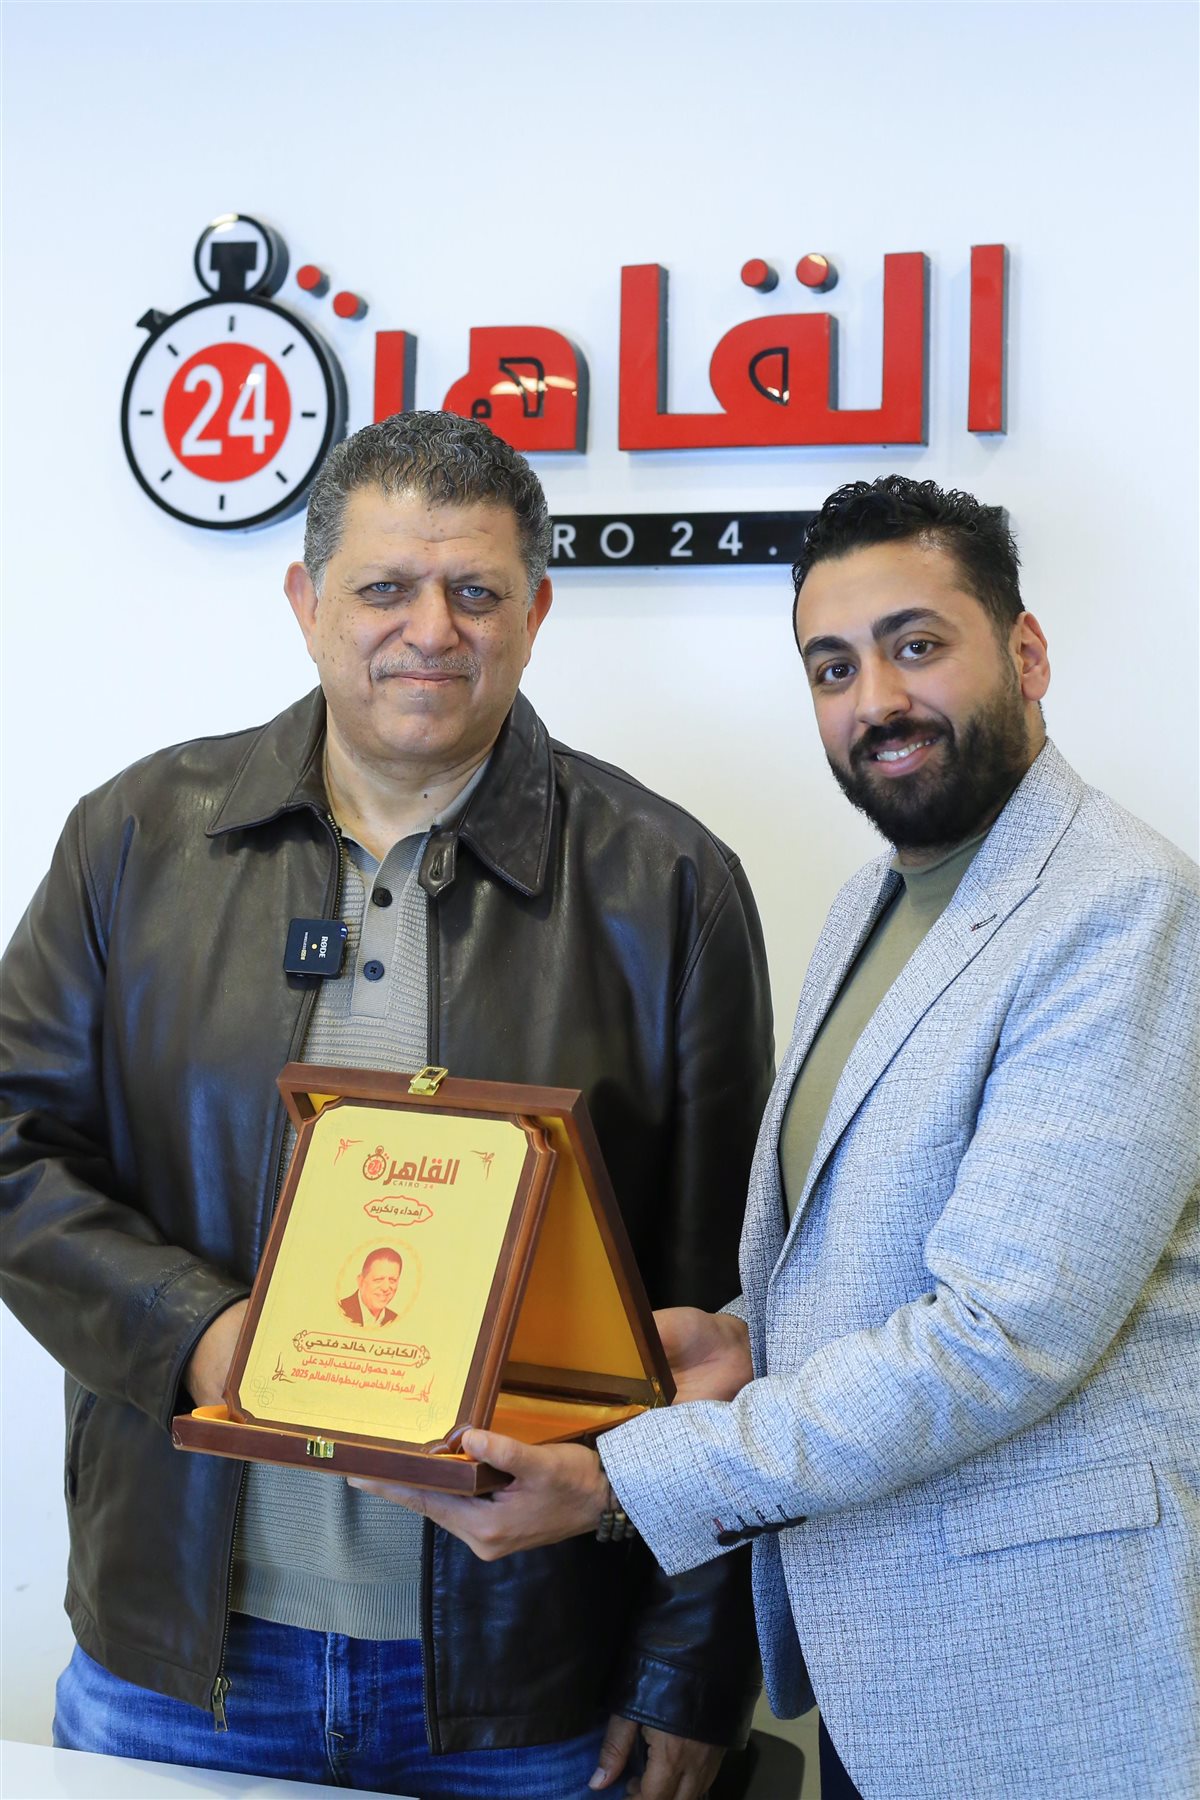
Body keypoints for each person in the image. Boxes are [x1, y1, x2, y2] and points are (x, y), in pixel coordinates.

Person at [361, 477, 1200, 1798]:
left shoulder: (1124, 909)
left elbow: (998, 1337)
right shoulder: (875, 902)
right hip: (885, 1665)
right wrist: (748, 1338)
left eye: (917, 644)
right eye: (834, 666)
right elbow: (884, 1248)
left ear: (1027, 652)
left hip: (1050, 1682)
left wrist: (618, 1482)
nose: (878, 700)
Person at [0, 412, 774, 1800]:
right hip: (184, 1662)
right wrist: (200, 1337)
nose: (432, 629)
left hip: (531, 1677)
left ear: (535, 613)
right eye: (385, 587)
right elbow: (11, 1148)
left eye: (476, 590)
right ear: (306, 601)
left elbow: (730, 1301)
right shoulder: (136, 840)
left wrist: (688, 1665)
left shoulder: (668, 883)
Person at [340, 1247, 402, 1328]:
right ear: (361, 1281)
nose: (385, 1288)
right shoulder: (339, 1311)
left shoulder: (396, 1321)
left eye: (392, 1280)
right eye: (378, 1279)